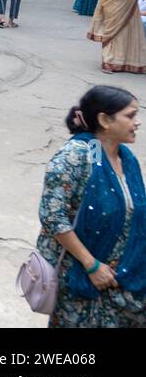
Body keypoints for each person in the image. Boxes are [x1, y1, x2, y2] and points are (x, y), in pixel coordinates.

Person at [37, 86, 146, 326]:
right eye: (130, 115)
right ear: (104, 120)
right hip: (83, 280)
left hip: (124, 281)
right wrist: (92, 264)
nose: (137, 122)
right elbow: (53, 216)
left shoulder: (125, 159)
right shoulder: (75, 157)